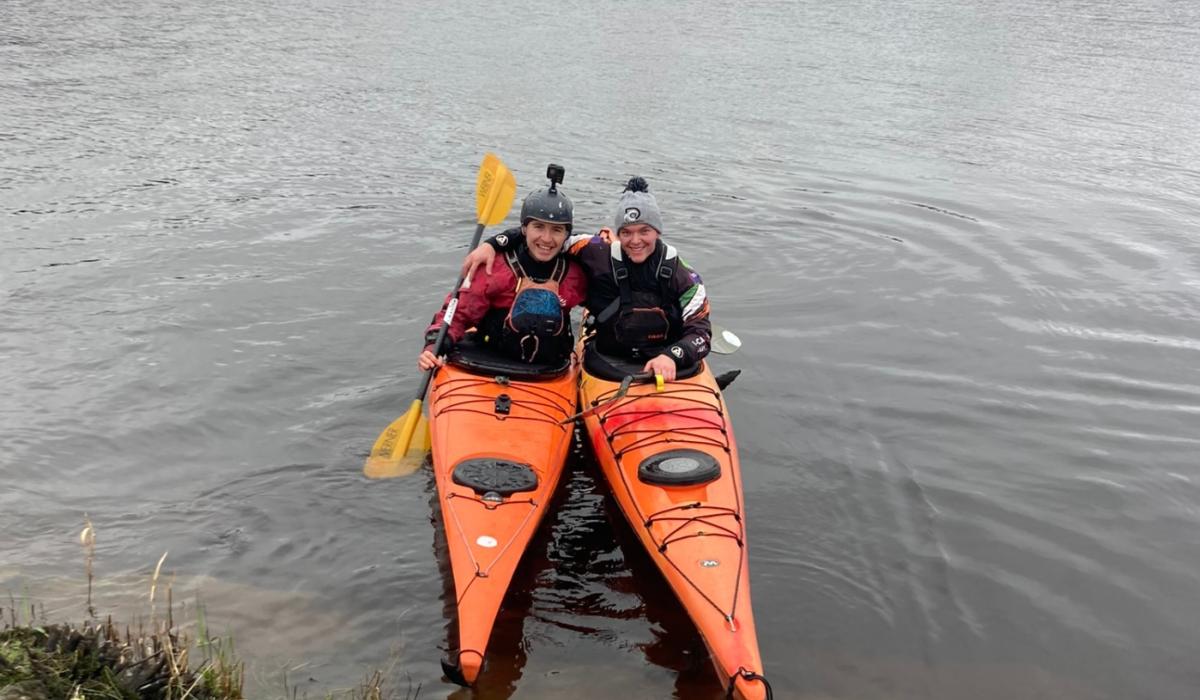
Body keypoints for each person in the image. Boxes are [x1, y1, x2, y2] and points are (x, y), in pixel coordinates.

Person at [462, 177, 711, 381]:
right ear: (617, 233)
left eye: (644, 231)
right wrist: (494, 243)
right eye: (626, 232)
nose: (635, 241)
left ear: (657, 231)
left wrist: (673, 356)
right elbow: (546, 237)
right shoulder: (593, 250)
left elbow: (701, 334)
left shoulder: (685, 276)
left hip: (669, 364)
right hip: (607, 364)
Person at [418, 167, 587, 371]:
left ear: (567, 234)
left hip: (548, 370)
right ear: (524, 229)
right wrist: (434, 347)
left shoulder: (575, 273)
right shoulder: (494, 266)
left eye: (557, 230)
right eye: (538, 227)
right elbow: (458, 314)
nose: (547, 239)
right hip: (488, 360)